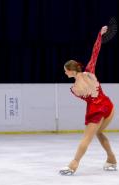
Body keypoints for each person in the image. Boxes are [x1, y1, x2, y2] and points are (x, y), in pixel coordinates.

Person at [60, 26, 117, 175]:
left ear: (71, 71)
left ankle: (73, 165)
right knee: (99, 133)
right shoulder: (89, 72)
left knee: (86, 138)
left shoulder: (74, 89)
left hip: (96, 110)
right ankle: (111, 159)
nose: (64, 73)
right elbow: (95, 51)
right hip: (108, 105)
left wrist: (99, 35)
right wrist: (99, 35)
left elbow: (95, 51)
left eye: (65, 70)